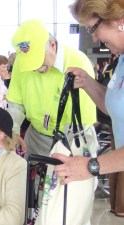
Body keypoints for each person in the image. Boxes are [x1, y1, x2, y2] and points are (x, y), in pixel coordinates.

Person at [53, 0, 124, 218]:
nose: (94, 38)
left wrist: (91, 166)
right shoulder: (121, 59)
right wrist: (87, 83)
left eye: (94, 29)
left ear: (119, 21)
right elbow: (115, 107)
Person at [6, 19, 96, 158]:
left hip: (72, 136)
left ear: (52, 45)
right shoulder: (21, 63)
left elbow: (79, 122)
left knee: (67, 177)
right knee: (27, 176)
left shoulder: (78, 63)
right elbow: (15, 103)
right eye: (30, 64)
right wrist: (13, 130)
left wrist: (63, 151)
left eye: (38, 62)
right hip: (36, 135)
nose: (35, 68)